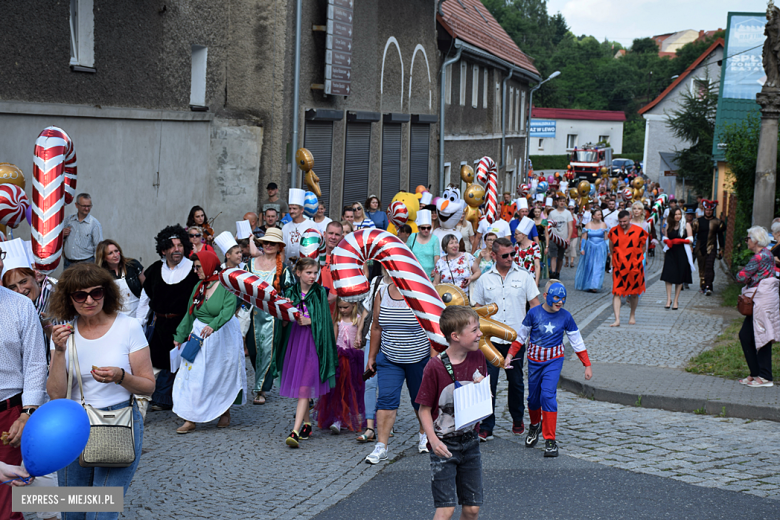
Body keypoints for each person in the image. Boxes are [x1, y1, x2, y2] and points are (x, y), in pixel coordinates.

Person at [47, 264, 155, 514]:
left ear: (107, 293)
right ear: (69, 298)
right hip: (73, 425)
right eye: (79, 295)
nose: (89, 300)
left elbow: (149, 386)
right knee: (72, 512)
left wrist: (121, 377)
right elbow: (55, 394)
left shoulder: (127, 327)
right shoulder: (65, 333)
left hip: (117, 421)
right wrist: (59, 352)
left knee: (101, 512)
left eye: (96, 292)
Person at [505, 281, 591, 457]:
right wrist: (509, 355)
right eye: (556, 297)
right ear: (546, 296)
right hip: (535, 362)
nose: (560, 302)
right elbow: (520, 336)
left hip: (554, 362)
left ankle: (550, 440)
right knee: (533, 399)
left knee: (548, 395)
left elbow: (576, 340)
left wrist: (587, 364)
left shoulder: (566, 317)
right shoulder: (533, 313)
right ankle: (535, 425)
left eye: (563, 298)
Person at [416, 305, 486, 520]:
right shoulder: (434, 367)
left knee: (472, 509)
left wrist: (483, 392)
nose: (480, 334)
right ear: (455, 336)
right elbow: (424, 410)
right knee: (446, 509)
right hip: (445, 444)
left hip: (470, 441)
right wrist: (433, 440)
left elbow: (481, 400)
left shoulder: (478, 357)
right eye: (474, 330)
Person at [470, 238, 540, 441]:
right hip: (489, 341)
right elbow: (477, 309)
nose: (510, 258)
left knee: (516, 382)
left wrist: (539, 331)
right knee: (488, 384)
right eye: (505, 255)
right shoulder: (484, 279)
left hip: (516, 339)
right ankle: (486, 424)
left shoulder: (524, 276)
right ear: (493, 256)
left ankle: (517, 418)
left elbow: (535, 305)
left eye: (512, 254)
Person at [172, 250, 246, 433]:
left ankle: (224, 411)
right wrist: (179, 336)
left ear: (208, 265)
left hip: (222, 336)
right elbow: (190, 313)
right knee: (193, 374)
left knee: (220, 374)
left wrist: (213, 325)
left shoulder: (226, 284)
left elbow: (228, 311)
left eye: (198, 267)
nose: (196, 270)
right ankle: (190, 418)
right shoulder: (199, 286)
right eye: (195, 267)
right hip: (199, 335)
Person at [364, 274, 432, 464]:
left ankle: (424, 434)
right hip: (389, 357)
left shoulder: (421, 292)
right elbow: (376, 326)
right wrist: (371, 356)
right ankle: (381, 446)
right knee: (386, 399)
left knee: (421, 400)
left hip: (419, 357)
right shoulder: (382, 292)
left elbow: (434, 327)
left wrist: (434, 360)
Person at [273, 258, 338, 448]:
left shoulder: (319, 293)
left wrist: (311, 322)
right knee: (303, 384)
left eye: (315, 273)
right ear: (298, 273)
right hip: (295, 342)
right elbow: (283, 323)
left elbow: (325, 320)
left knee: (303, 389)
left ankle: (295, 430)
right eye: (309, 272)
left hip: (313, 343)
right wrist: (285, 314)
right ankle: (308, 424)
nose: (313, 276)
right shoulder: (290, 292)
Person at [135, 225, 200, 411]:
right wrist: (138, 324)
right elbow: (145, 299)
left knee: (184, 362)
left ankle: (179, 401)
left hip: (185, 323)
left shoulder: (192, 269)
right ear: (163, 250)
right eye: (171, 246)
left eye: (180, 245)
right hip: (160, 323)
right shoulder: (155, 270)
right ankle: (157, 397)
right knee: (158, 361)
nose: (177, 249)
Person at [0, 279, 47, 520]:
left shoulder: (20, 306)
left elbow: (36, 362)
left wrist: (27, 412)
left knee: (7, 501)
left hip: (8, 413)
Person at [246, 228, 295, 404]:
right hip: (251, 315)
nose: (268, 245)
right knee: (252, 350)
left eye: (272, 243)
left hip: (272, 318)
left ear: (278, 247)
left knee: (268, 351)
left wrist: (287, 302)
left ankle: (261, 389)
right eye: (265, 242)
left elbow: (291, 292)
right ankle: (261, 379)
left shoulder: (284, 269)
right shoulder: (250, 264)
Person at [736, 227, 780, 388]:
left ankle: (765, 377)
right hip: (763, 299)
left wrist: (745, 275)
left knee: (762, 336)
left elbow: (741, 277)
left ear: (755, 240)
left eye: (748, 238)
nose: (747, 241)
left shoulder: (758, 257)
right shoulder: (768, 254)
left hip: (762, 300)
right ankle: (756, 373)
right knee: (747, 335)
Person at [314, 298, 365, 433]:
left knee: (351, 389)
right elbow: (334, 339)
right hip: (339, 358)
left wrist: (358, 341)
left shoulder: (358, 320)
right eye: (340, 307)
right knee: (337, 390)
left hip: (353, 359)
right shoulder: (338, 320)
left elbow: (361, 337)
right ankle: (337, 418)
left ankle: (347, 416)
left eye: (345, 307)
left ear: (354, 305)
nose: (342, 310)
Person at [355, 270, 390, 444]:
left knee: (387, 383)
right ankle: (370, 427)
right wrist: (359, 332)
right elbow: (367, 309)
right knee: (369, 382)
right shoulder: (376, 281)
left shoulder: (403, 282)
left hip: (392, 339)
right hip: (372, 337)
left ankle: (385, 424)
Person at [608, 210, 648, 327]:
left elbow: (644, 247)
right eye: (620, 221)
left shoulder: (639, 231)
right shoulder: (613, 231)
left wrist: (634, 258)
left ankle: (632, 315)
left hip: (634, 267)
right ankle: (617, 319)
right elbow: (611, 247)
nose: (622, 224)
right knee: (616, 292)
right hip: (619, 267)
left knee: (634, 293)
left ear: (629, 218)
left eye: (625, 221)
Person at [96, 239, 145, 318]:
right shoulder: (101, 274)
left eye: (116, 251)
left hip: (138, 314)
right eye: (110, 253)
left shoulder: (132, 265)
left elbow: (146, 288)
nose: (115, 255)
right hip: (115, 317)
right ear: (104, 257)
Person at [660, 208, 694, 310]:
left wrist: (680, 241)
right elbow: (665, 238)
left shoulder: (686, 225)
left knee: (679, 277)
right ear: (672, 216)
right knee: (668, 276)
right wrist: (667, 241)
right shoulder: (668, 225)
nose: (677, 216)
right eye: (675, 214)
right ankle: (668, 299)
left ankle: (675, 300)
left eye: (679, 214)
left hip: (682, 253)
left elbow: (691, 239)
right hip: (671, 253)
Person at [692, 200, 724, 295]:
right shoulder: (698, 221)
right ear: (704, 210)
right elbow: (692, 235)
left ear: (713, 210)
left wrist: (721, 248)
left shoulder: (718, 222)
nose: (708, 212)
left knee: (709, 266)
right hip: (699, 247)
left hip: (712, 246)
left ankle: (708, 286)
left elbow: (720, 236)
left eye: (710, 210)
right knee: (701, 267)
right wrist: (690, 246)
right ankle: (703, 285)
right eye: (707, 210)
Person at [62, 193, 103, 268]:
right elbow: (59, 239)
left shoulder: (94, 224)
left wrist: (98, 266)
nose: (87, 209)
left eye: (89, 206)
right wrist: (62, 234)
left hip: (86, 264)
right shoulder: (69, 220)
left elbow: (99, 247)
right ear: (76, 205)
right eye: (84, 206)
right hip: (68, 263)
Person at [575, 208, 609, 292]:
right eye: (598, 215)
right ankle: (588, 284)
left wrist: (608, 250)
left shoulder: (604, 224)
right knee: (589, 265)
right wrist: (582, 248)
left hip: (601, 247)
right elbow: (584, 237)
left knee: (599, 266)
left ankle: (595, 285)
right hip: (590, 247)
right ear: (593, 216)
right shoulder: (588, 225)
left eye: (601, 215)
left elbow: (606, 238)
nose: (600, 216)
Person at [408, 210, 440, 281]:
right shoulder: (412, 237)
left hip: (429, 276)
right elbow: (407, 253)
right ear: (418, 228)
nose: (426, 230)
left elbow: (436, 256)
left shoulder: (434, 239)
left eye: (428, 228)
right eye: (423, 228)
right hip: (414, 274)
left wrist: (435, 270)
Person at [282, 188, 313, 261]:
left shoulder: (311, 225)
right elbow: (282, 249)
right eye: (290, 208)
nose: (291, 211)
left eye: (294, 208)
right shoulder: (285, 227)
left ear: (302, 210)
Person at [546, 197, 573, 280]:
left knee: (560, 257)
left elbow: (570, 227)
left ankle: (558, 272)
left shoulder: (568, 213)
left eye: (563, 201)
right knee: (553, 255)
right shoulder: (552, 213)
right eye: (560, 201)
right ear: (557, 202)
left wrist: (568, 238)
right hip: (553, 237)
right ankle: (553, 272)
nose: (562, 203)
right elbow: (548, 225)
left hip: (563, 238)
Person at [514, 218, 542, 286]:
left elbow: (537, 266)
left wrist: (536, 282)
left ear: (523, 235)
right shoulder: (516, 246)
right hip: (517, 280)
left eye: (516, 234)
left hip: (530, 280)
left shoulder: (534, 246)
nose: (515, 236)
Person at [531, 206, 550, 279]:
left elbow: (546, 234)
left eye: (538, 212)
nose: (537, 213)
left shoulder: (544, 221)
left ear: (540, 212)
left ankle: (539, 276)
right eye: (535, 212)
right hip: (532, 243)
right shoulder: (531, 221)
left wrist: (547, 246)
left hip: (541, 243)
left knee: (540, 260)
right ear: (533, 212)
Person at [565, 200, 579, 268]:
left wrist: (579, 225)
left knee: (573, 247)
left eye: (572, 209)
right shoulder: (565, 216)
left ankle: (572, 262)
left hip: (575, 234)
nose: (571, 210)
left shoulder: (576, 216)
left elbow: (579, 223)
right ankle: (567, 261)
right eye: (569, 209)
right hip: (567, 234)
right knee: (567, 248)